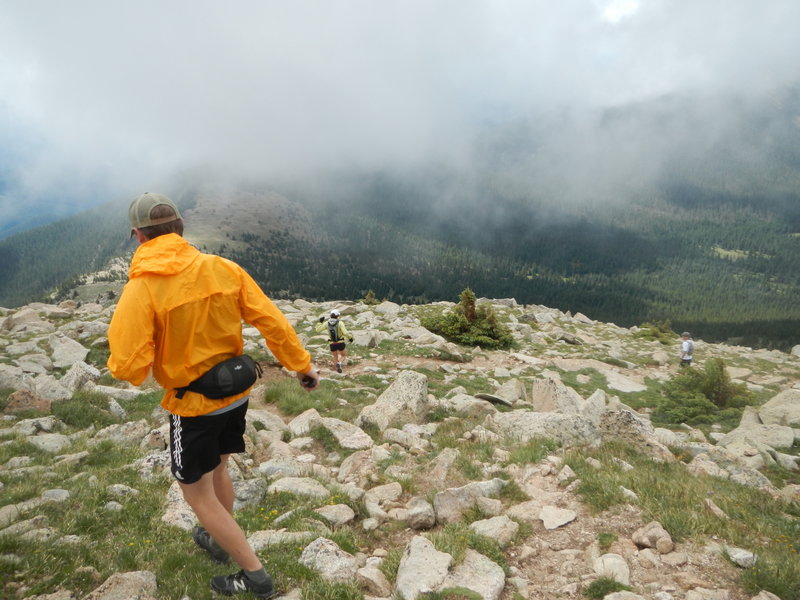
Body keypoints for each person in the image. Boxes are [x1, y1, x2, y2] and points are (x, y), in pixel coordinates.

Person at [107, 192, 319, 599]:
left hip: (193, 405)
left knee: (195, 491)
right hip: (236, 393)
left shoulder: (144, 288)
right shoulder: (223, 268)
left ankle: (254, 576)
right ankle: (220, 541)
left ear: (138, 236)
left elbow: (128, 367)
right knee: (219, 469)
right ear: (181, 227)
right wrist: (301, 365)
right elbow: (271, 321)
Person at [316, 309, 353, 373]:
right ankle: (340, 363)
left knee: (335, 356)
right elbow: (345, 333)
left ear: (330, 315)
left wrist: (320, 322)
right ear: (338, 316)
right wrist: (350, 337)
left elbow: (318, 330)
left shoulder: (326, 323)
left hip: (332, 343)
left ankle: (336, 369)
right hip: (340, 342)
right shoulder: (340, 323)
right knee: (343, 355)